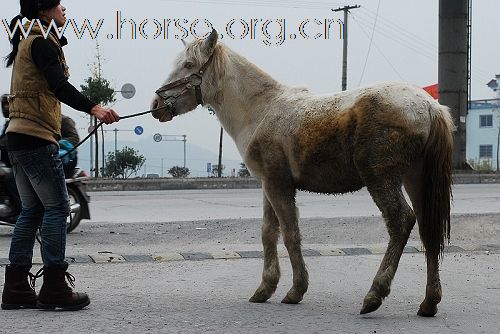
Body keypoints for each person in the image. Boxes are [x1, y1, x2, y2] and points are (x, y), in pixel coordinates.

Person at [1, 0, 119, 311]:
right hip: (37, 138)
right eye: (57, 4)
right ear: (43, 10)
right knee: (55, 208)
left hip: (17, 138)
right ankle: (54, 287)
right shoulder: (41, 42)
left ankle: (15, 289)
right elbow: (59, 85)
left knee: (31, 211)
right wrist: (94, 107)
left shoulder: (27, 40)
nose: (63, 8)